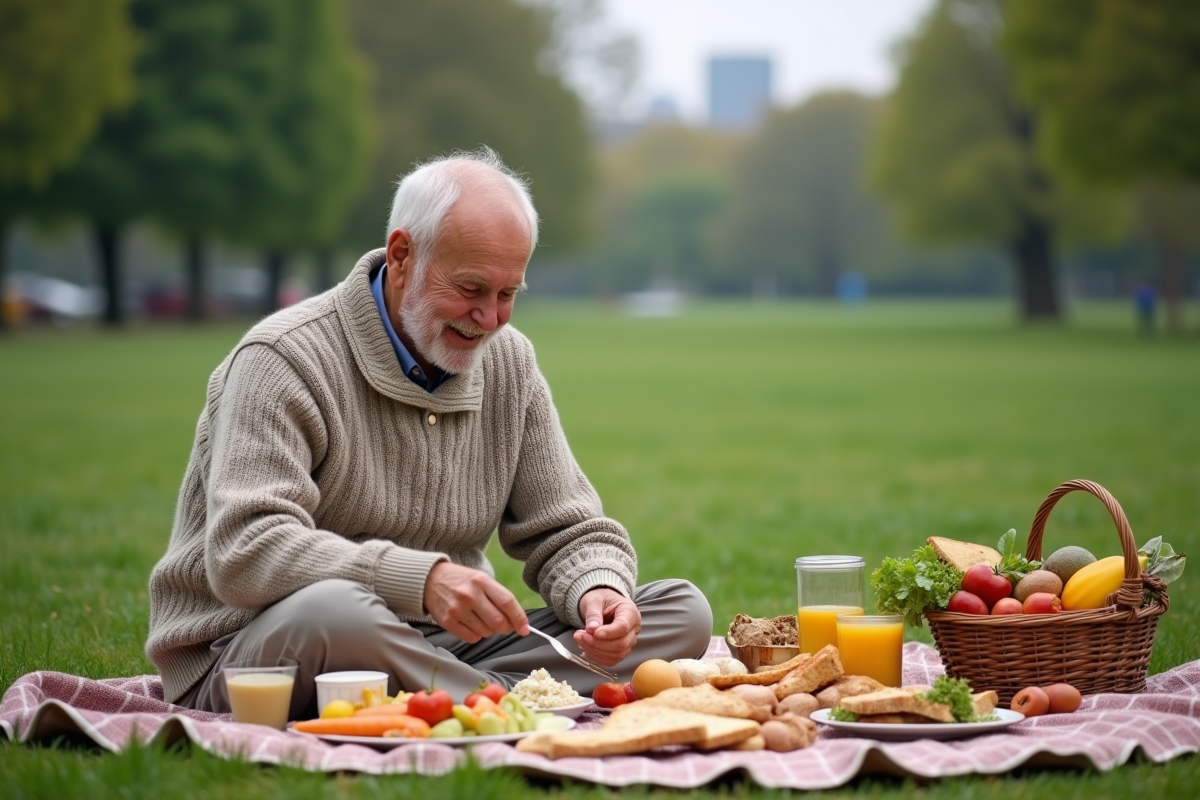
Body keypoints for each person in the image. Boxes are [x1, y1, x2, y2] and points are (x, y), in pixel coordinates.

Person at [145, 147, 713, 720]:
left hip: (442, 644)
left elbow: (566, 525)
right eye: (470, 289)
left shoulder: (509, 362)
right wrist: (421, 580)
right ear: (401, 256)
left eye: (508, 294)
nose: (490, 318)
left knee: (682, 611)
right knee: (336, 612)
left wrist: (600, 592)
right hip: (260, 651)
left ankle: (462, 698)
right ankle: (507, 703)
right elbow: (246, 549)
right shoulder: (283, 358)